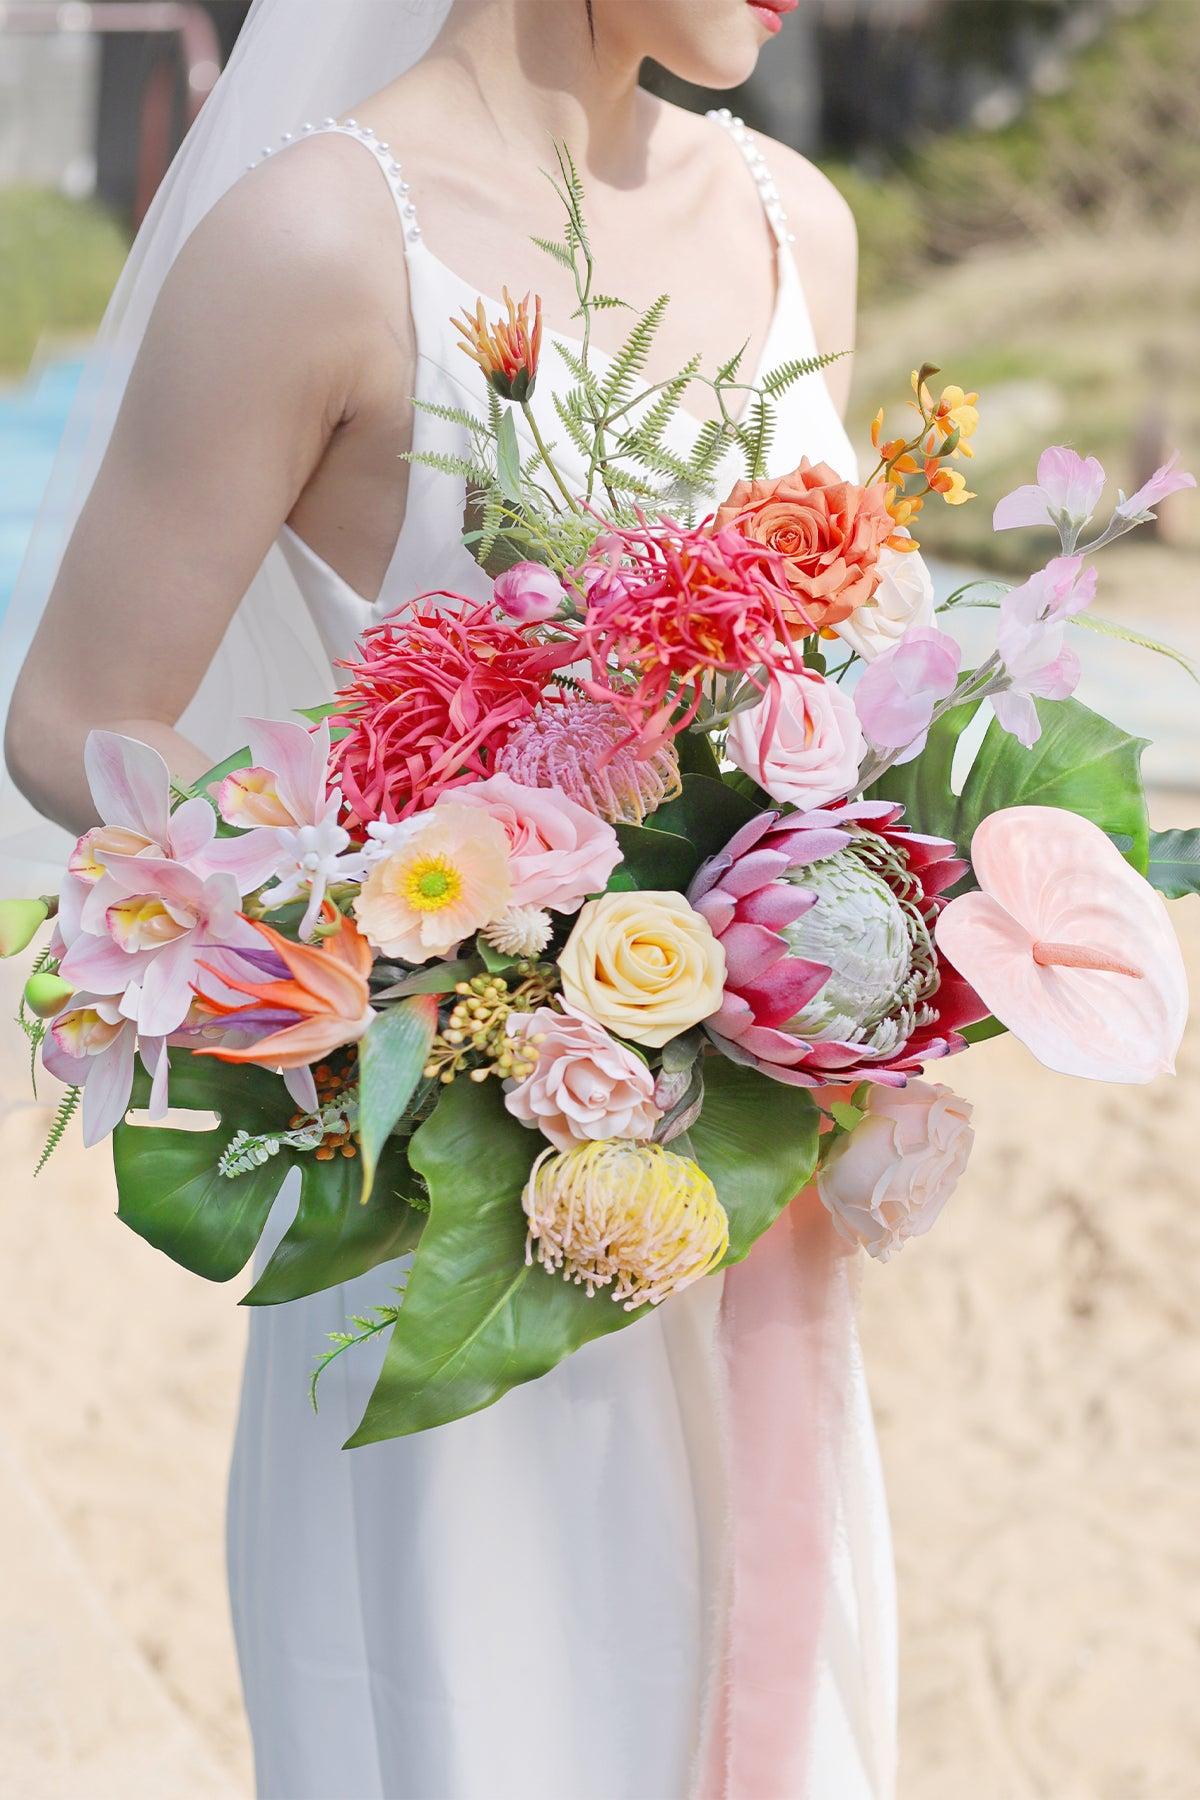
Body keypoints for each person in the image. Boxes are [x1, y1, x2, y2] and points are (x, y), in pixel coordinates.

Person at [4, 3, 896, 1794]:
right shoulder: (317, 238)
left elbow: (841, 694)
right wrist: (404, 952)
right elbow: (80, 711)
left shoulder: (799, 220)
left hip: (738, 1225)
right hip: (445, 1222)